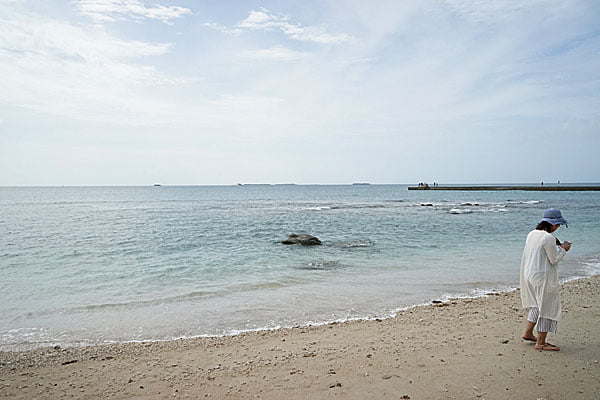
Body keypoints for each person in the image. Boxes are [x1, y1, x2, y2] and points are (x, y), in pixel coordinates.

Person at [520, 208, 571, 351]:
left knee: (537, 304)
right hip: (542, 276)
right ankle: (541, 342)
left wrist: (558, 247)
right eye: (558, 224)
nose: (558, 227)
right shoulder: (548, 238)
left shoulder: (532, 233)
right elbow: (554, 259)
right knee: (547, 307)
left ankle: (528, 333)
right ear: (554, 224)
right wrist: (564, 249)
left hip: (529, 273)